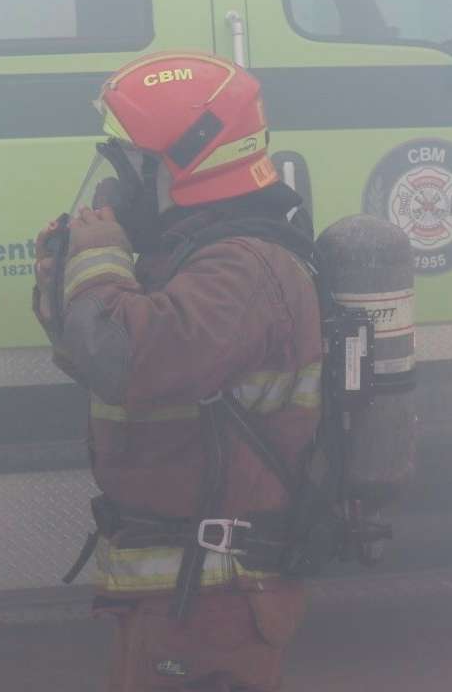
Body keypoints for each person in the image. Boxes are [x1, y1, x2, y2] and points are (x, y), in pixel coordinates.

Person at [33, 53, 320, 691]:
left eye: (132, 166)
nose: (114, 188)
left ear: (189, 164)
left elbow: (123, 360)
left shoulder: (243, 270)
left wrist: (101, 257)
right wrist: (64, 280)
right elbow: (96, 352)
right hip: (178, 591)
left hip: (214, 595)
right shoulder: (191, 262)